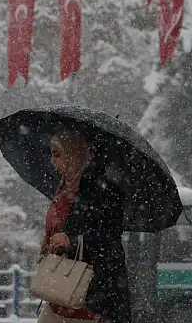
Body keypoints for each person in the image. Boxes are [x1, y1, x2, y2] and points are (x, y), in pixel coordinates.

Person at [38, 128, 132, 323]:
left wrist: (72, 240)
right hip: (63, 284)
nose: (52, 161)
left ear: (74, 153)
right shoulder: (64, 187)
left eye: (57, 154)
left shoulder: (101, 190)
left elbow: (108, 239)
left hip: (91, 290)